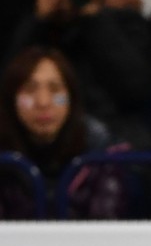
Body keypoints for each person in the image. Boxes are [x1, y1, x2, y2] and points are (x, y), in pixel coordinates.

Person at [9, 0, 151, 148]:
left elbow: (135, 90)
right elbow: (7, 89)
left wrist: (94, 20)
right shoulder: (25, 28)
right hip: (32, 140)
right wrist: (37, 21)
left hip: (109, 136)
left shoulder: (124, 23)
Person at [0, 45, 129, 219]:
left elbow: (104, 236)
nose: (43, 102)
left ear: (71, 98)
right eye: (30, 90)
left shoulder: (103, 155)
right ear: (11, 99)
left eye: (54, 90)